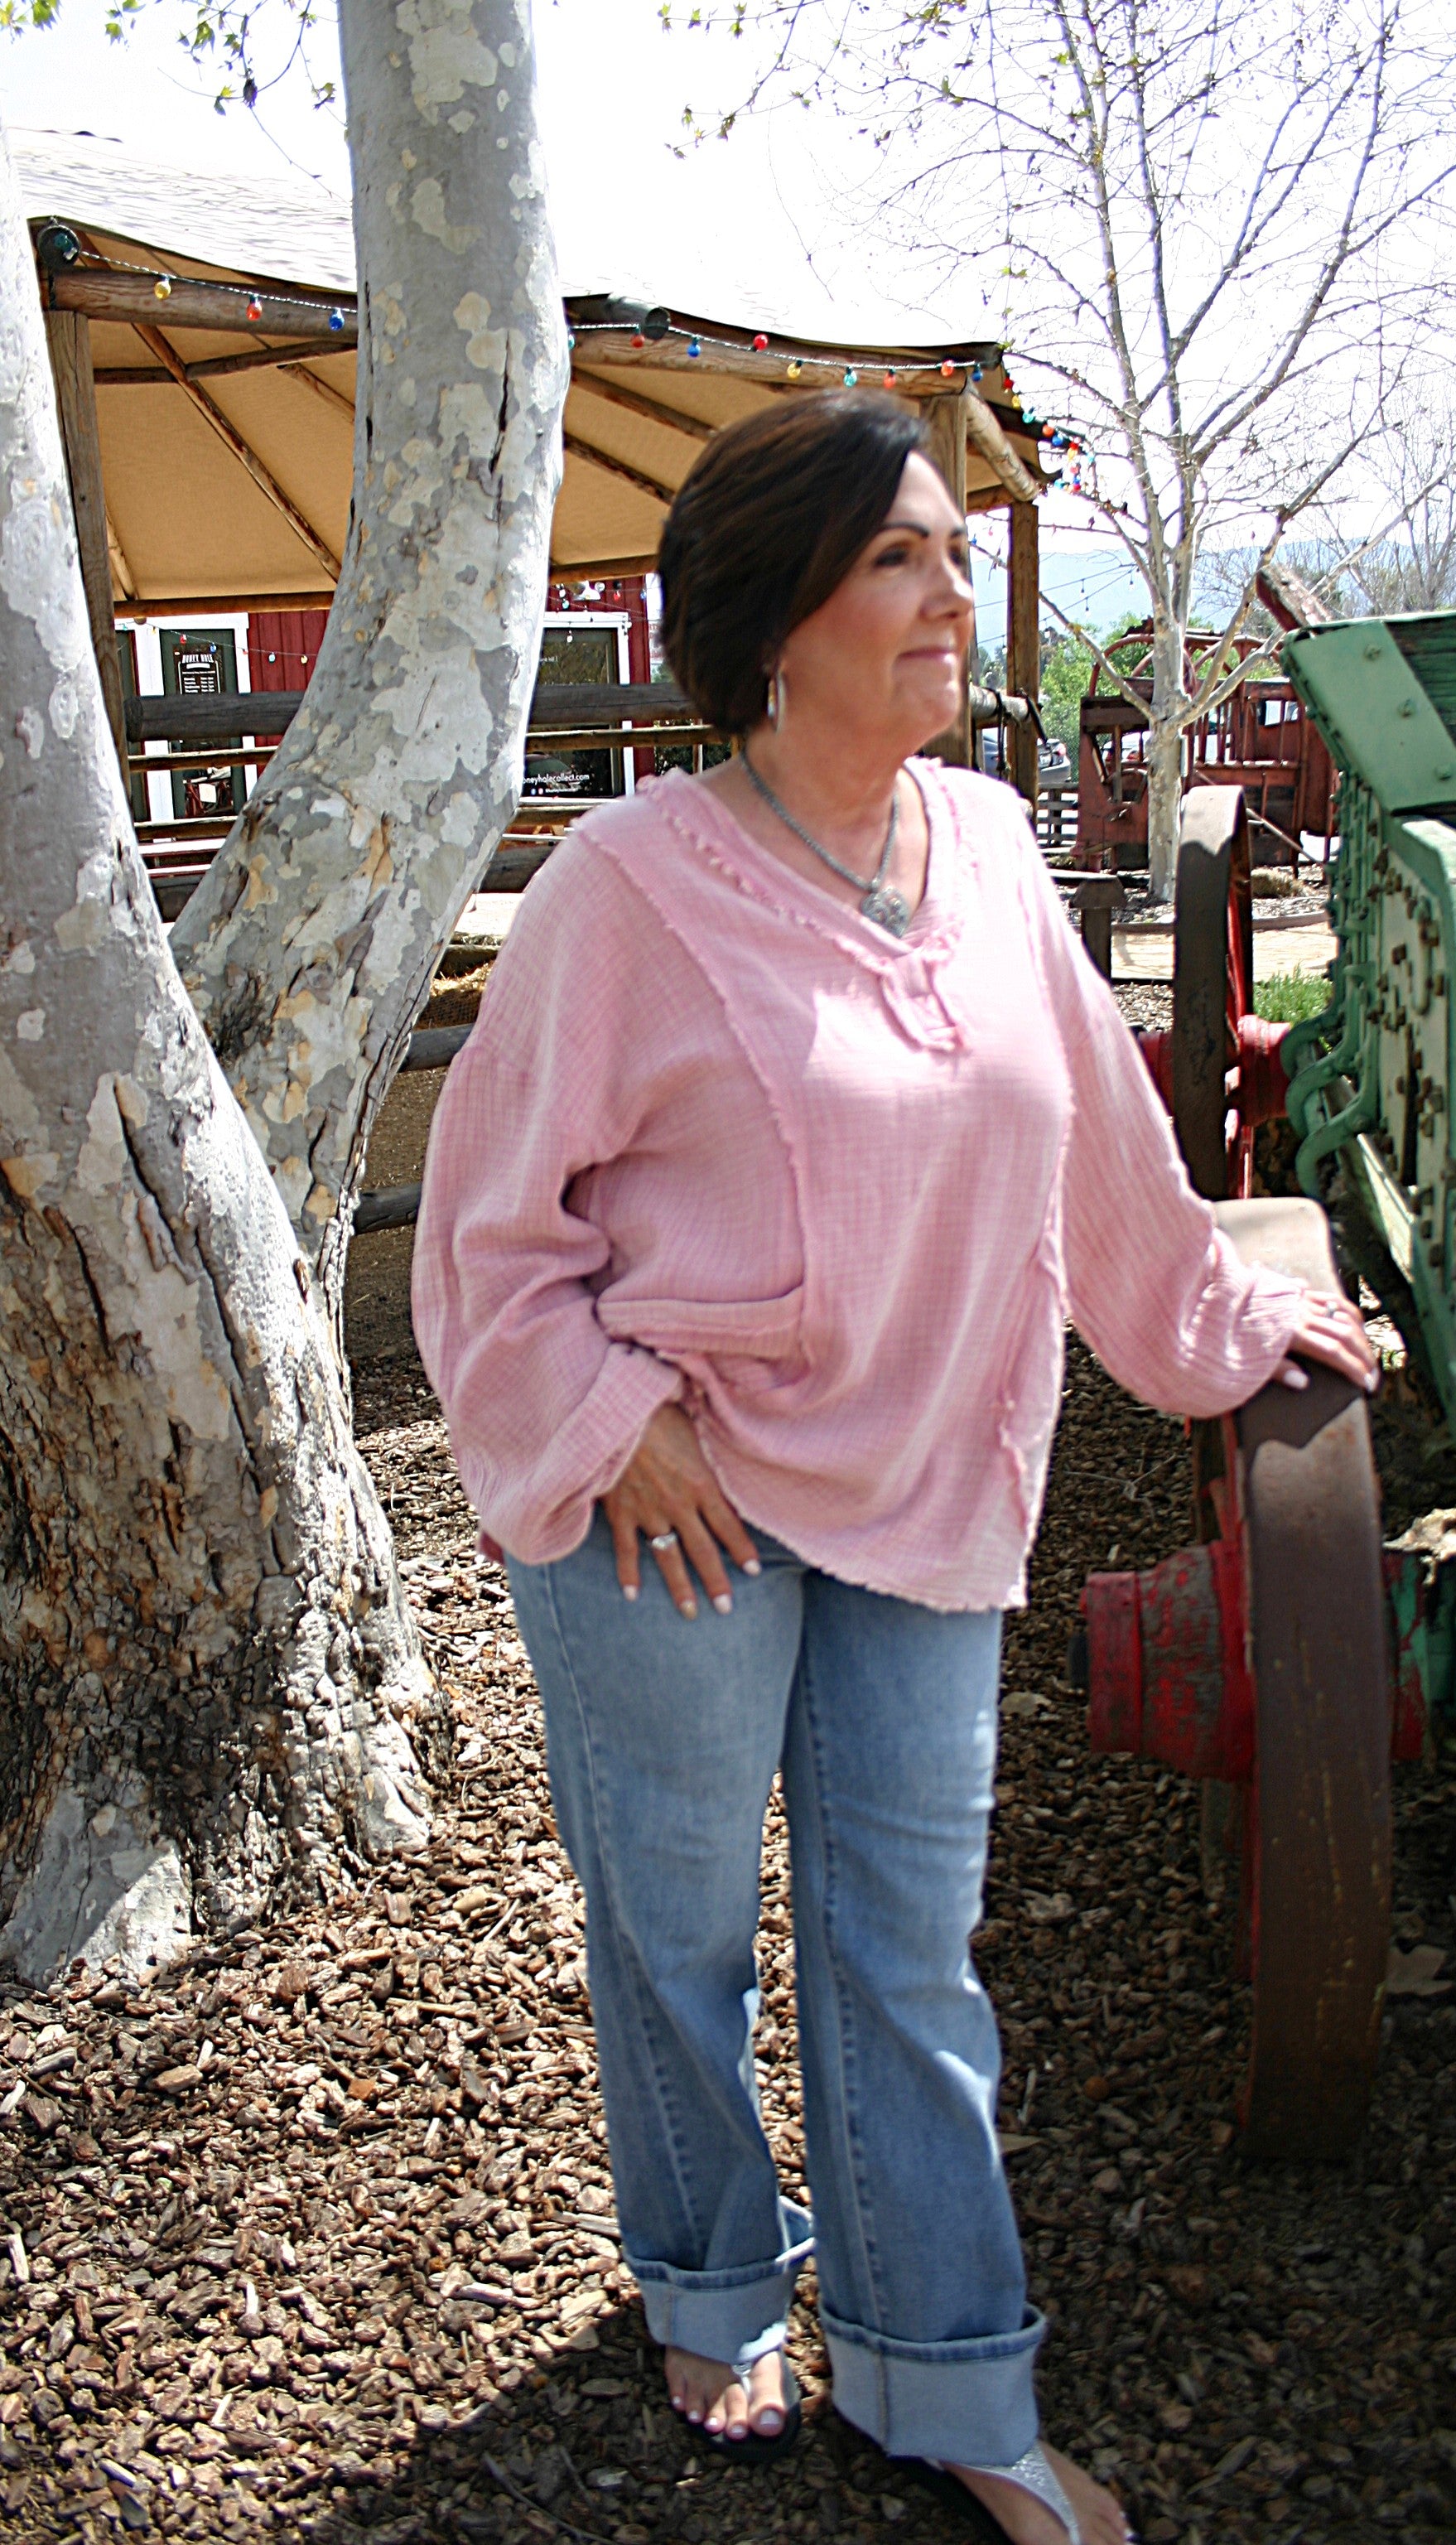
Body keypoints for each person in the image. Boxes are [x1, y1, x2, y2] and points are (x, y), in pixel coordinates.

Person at [412, 391, 1376, 2545]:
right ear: (778, 624)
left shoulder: (997, 849)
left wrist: (1230, 1328)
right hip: (679, 1494)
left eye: (954, 554)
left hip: (931, 1483)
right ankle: (714, 2279)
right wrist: (599, 1418)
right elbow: (488, 1231)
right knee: (678, 1938)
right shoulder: (626, 890)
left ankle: (947, 2383)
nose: (956, 596)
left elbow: (1102, 1160)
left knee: (905, 1955)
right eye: (903, 563)